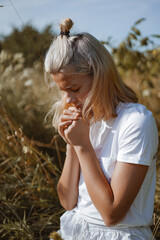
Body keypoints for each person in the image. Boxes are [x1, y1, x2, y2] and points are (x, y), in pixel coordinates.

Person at [44, 18, 158, 240]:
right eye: (62, 90)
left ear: (100, 76)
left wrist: (83, 146)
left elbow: (111, 214)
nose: (68, 100)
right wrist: (72, 146)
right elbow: (68, 202)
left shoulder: (136, 122)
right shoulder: (84, 119)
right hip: (74, 228)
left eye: (74, 88)